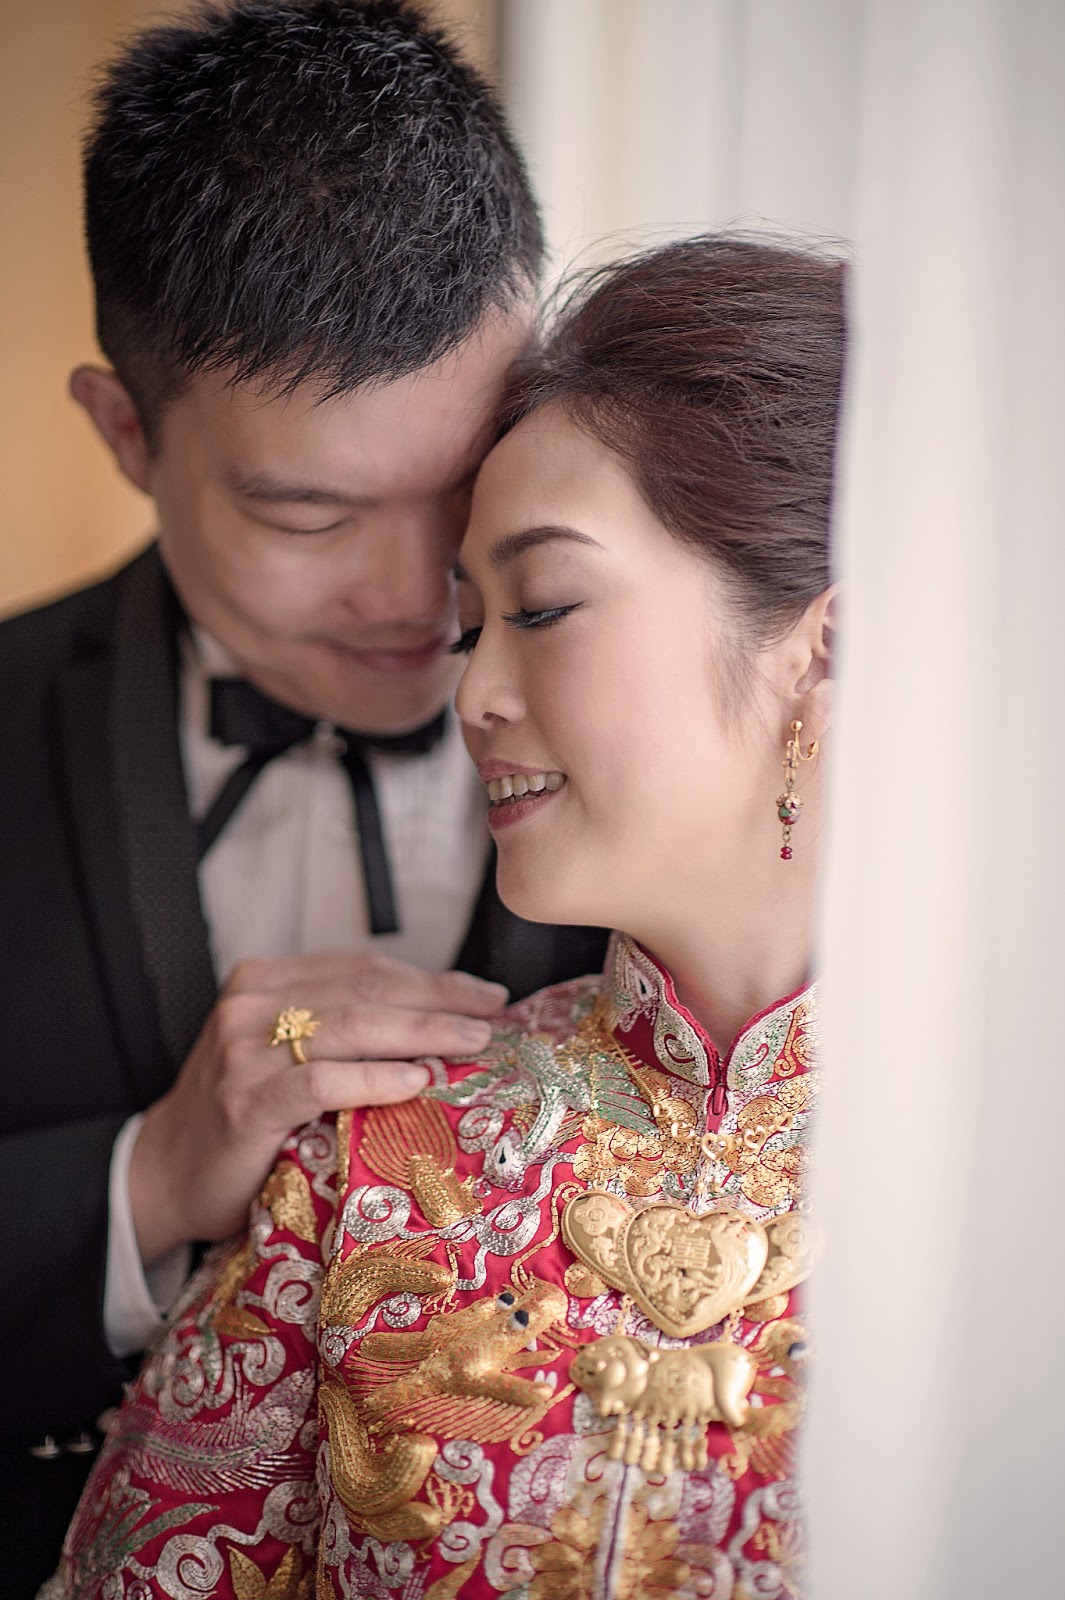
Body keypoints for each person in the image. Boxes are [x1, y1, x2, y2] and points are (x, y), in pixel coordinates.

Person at [49, 232, 843, 1599]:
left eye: (543, 605)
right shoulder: (359, 1170)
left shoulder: (1009, 1176)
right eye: (477, 626)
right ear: (129, 432)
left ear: (823, 646)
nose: (466, 691)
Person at [0, 3, 609, 1591]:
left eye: (463, 478)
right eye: (306, 514)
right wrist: (148, 1175)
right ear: (125, 433)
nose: (416, 594)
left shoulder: (709, 735)